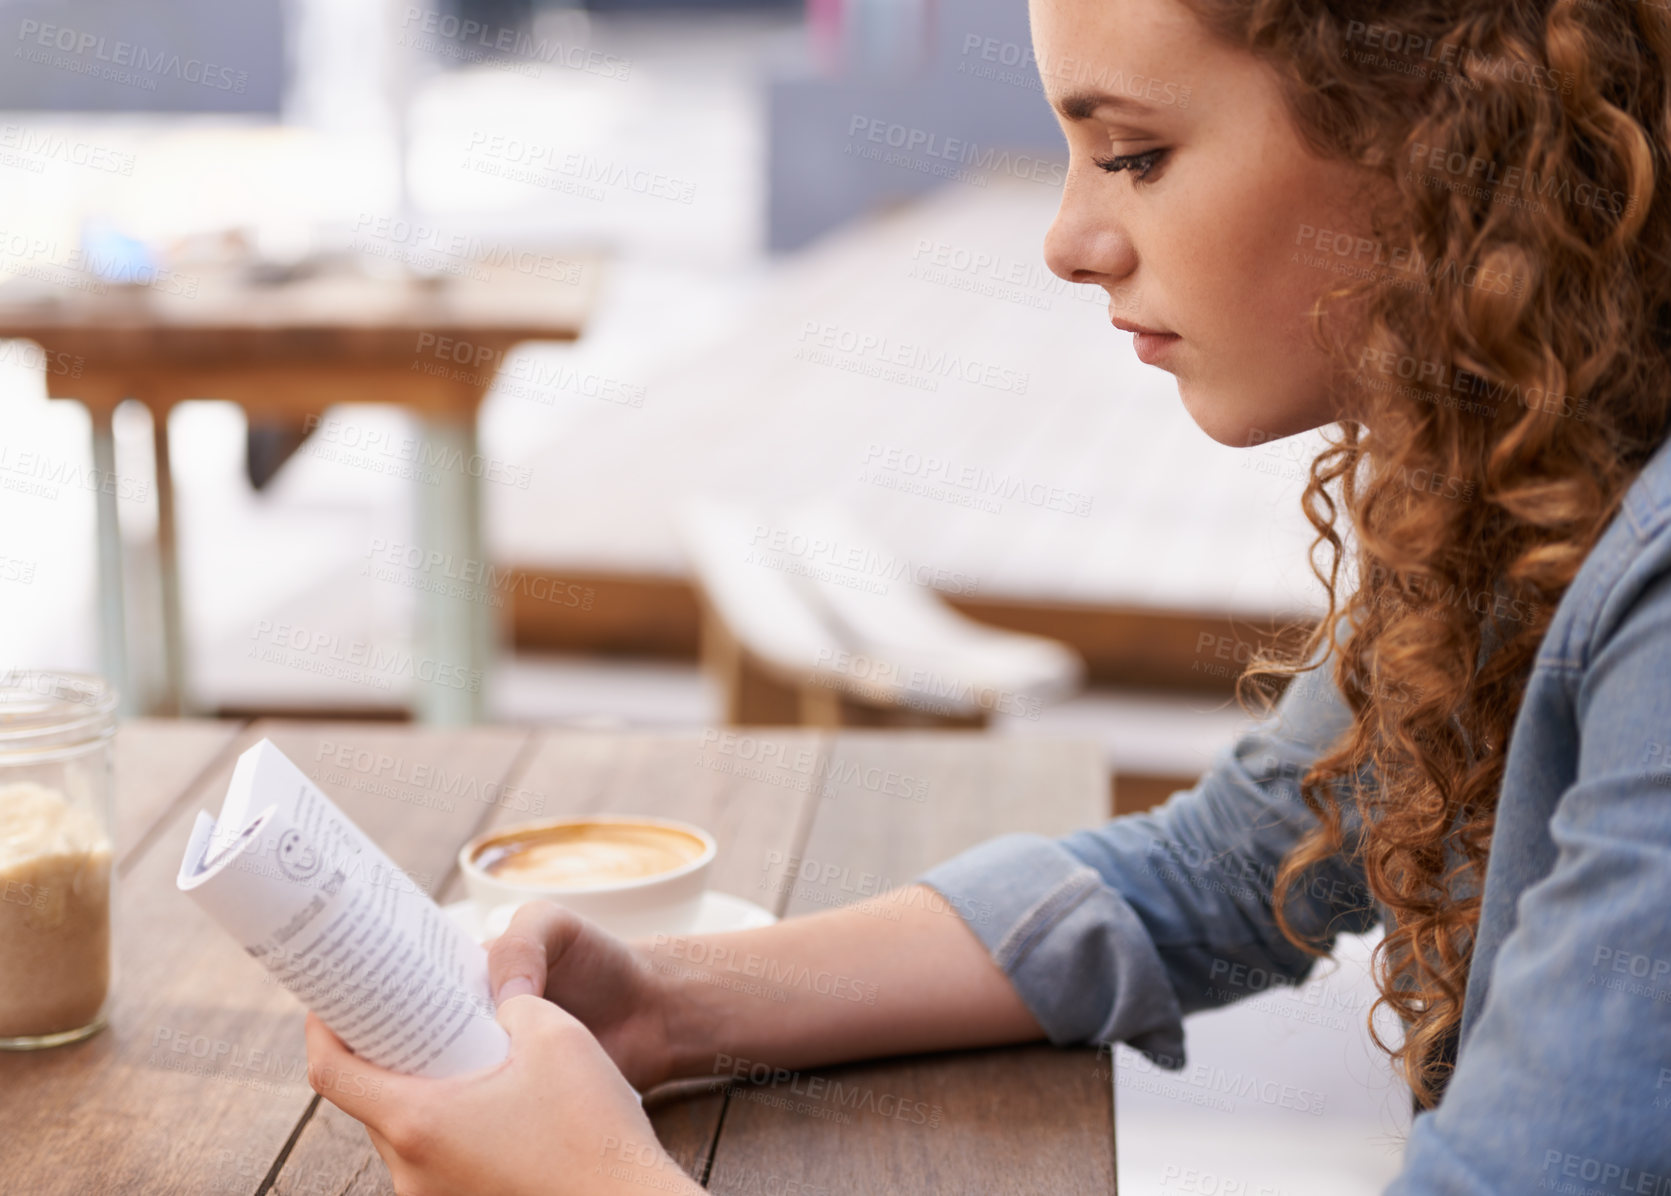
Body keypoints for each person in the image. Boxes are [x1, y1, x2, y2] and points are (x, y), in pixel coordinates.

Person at [304, 0, 1671, 1191]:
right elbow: (1224, 871)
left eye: (1135, 154)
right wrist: (672, 1002)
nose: (1071, 239)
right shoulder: (1527, 464)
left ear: (1445, 128)